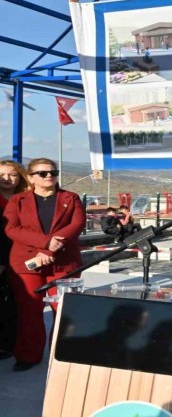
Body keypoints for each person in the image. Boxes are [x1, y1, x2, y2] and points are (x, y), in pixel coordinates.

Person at [2, 158, 85, 371]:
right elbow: (12, 229)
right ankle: (28, 356)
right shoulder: (18, 200)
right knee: (30, 310)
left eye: (53, 172)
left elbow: (76, 225)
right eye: (42, 173)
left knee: (64, 310)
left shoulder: (71, 198)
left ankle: (62, 355)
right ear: (31, 178)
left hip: (64, 263)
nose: (49, 176)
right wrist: (45, 243)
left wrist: (48, 251)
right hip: (27, 264)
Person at [0, 161, 31, 360]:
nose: (7, 179)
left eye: (12, 175)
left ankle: (9, 344)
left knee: (14, 301)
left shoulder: (26, 199)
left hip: (20, 254)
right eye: (2, 174)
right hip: (2, 254)